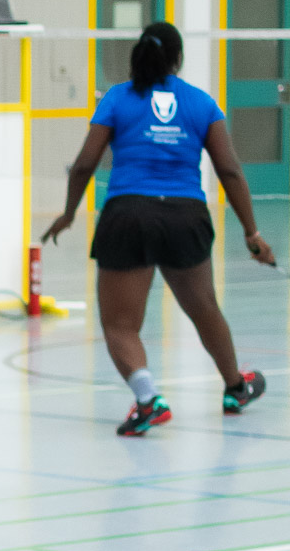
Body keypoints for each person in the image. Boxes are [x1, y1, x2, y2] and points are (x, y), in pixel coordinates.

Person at [42, 22, 275, 436]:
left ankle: (148, 399)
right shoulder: (200, 103)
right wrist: (251, 233)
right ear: (178, 59)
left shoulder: (117, 99)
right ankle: (236, 388)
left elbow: (84, 164)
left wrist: (69, 212)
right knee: (204, 308)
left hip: (128, 215)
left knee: (121, 324)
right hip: (186, 217)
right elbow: (229, 170)